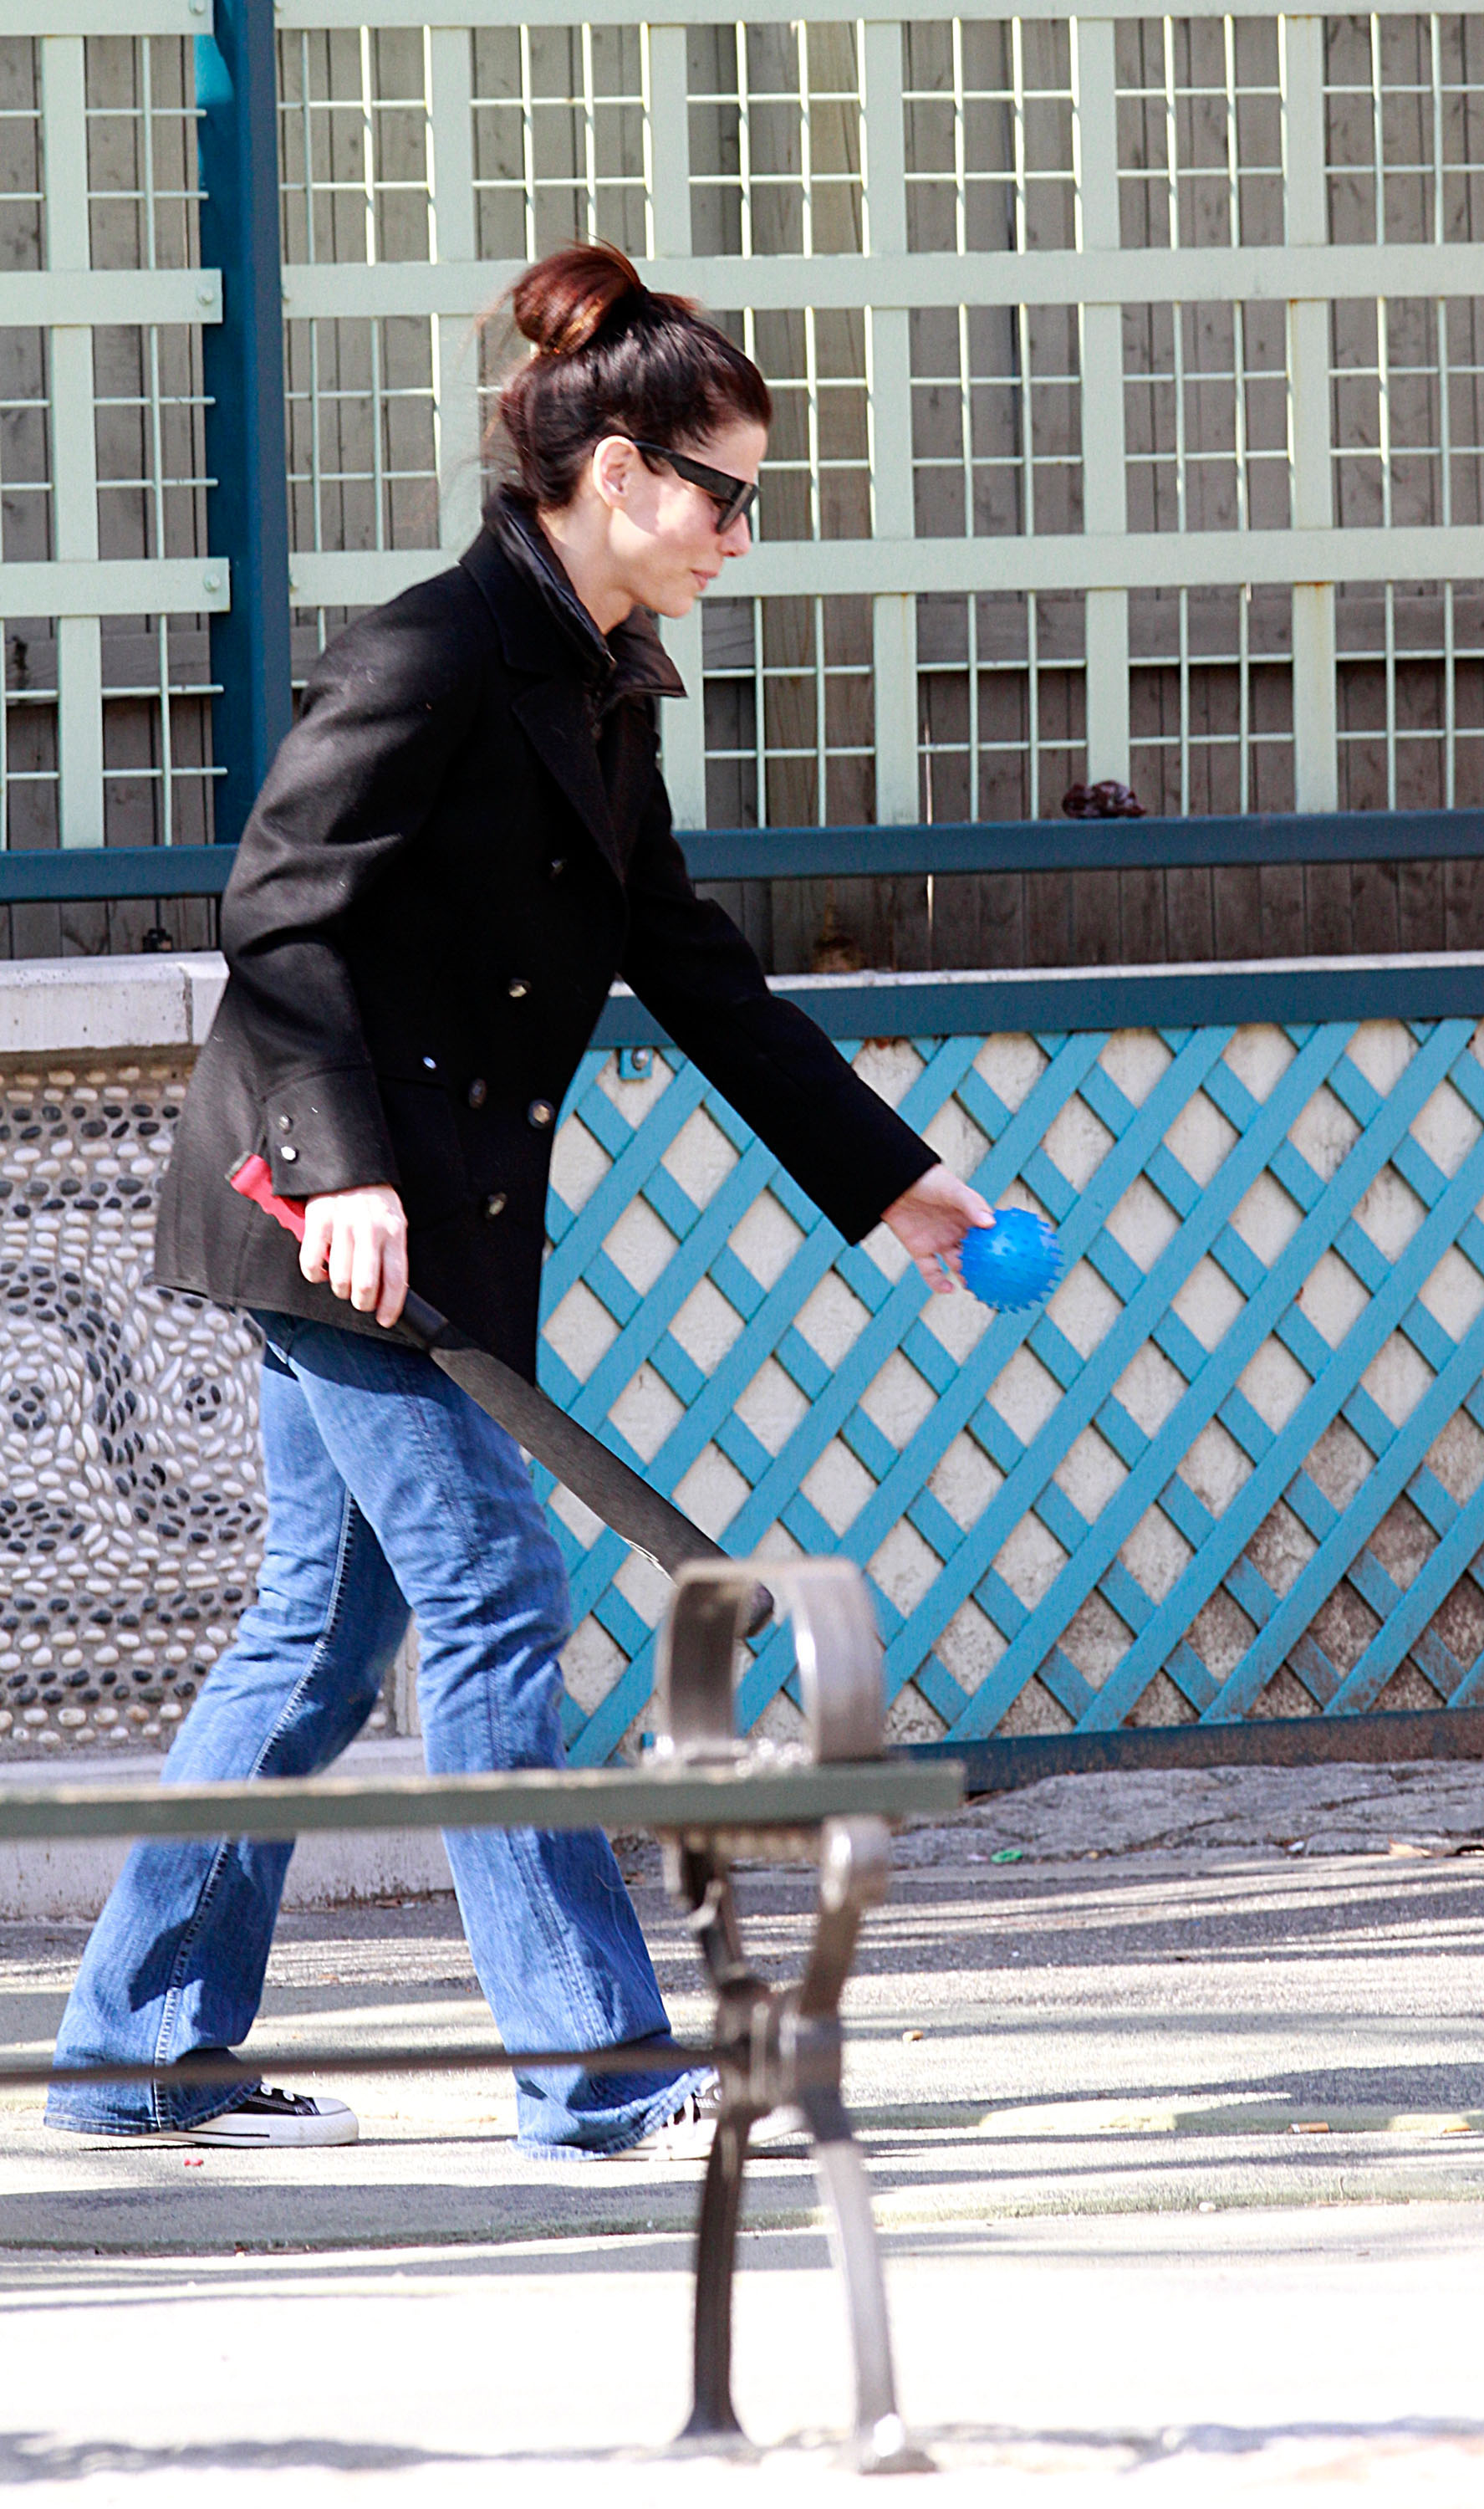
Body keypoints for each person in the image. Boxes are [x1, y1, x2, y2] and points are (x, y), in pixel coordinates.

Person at [46, 242, 992, 2156]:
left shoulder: (599, 683)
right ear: (625, 470)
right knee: (491, 1600)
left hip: (418, 1214)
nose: (744, 533)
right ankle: (601, 2062)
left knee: (317, 1641)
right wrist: (351, 1168)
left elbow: (686, 956)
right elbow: (276, 909)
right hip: (326, 1206)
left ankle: (135, 2046)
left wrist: (886, 1179)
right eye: (728, 492)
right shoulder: (435, 650)